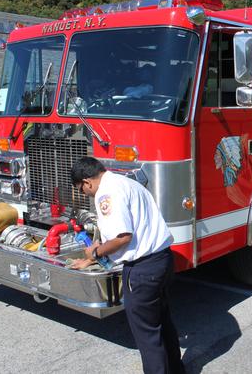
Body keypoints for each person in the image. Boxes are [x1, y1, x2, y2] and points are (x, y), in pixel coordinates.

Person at [70, 157, 184, 374]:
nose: (85, 194)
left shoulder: (106, 193)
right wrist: (92, 258)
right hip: (162, 260)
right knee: (162, 323)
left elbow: (123, 237)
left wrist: (95, 251)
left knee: (147, 336)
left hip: (142, 270)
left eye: (82, 190)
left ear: (87, 182)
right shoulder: (127, 183)